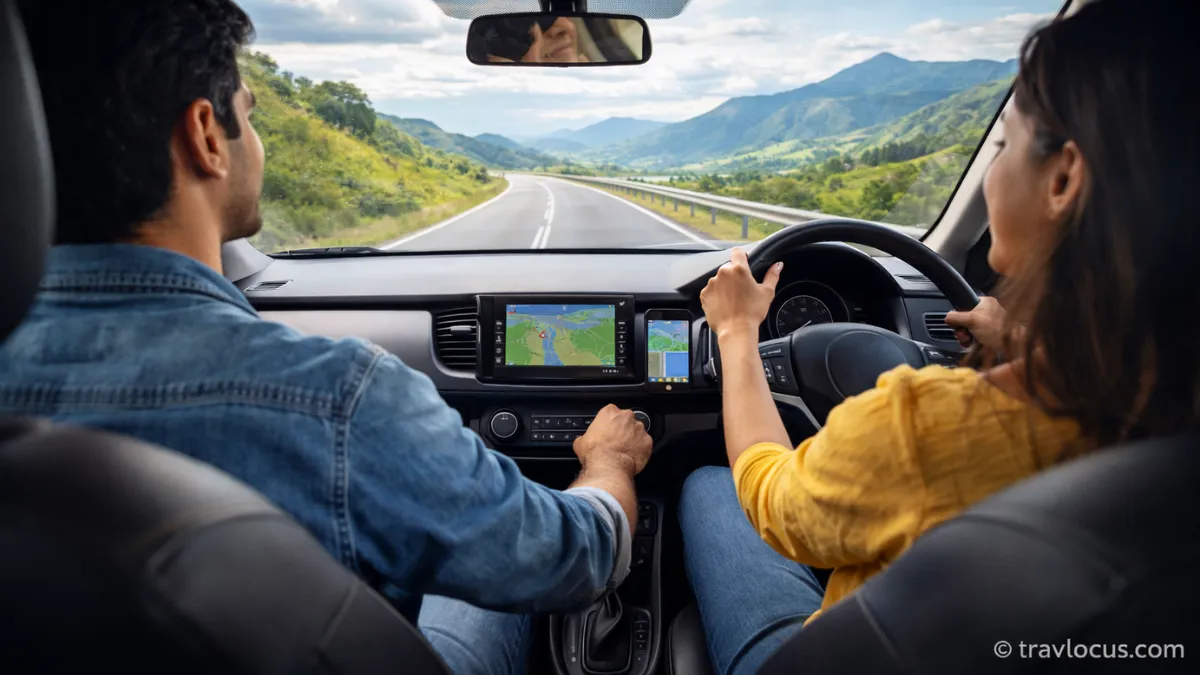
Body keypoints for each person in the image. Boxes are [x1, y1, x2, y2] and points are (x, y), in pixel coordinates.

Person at [0, 2, 651, 674]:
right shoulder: (337, 399)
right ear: (205, 135)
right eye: (249, 114)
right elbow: (574, 555)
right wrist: (608, 462)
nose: (256, 139)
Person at [679, 1, 1199, 674]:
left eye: (1003, 144)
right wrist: (1018, 339)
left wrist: (737, 333)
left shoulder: (926, 431)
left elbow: (774, 502)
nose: (996, 166)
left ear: (1064, 178)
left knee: (712, 483)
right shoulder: (1161, 410)